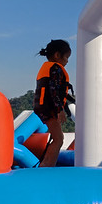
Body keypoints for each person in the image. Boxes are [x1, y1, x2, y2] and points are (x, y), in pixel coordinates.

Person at [33, 39, 73, 167]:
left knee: (57, 138)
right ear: (57, 55)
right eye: (66, 57)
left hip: (43, 107)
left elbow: (55, 90)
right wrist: (60, 110)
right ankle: (46, 166)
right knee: (58, 139)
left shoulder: (48, 68)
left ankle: (46, 165)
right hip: (49, 108)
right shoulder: (56, 69)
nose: (67, 61)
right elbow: (53, 90)